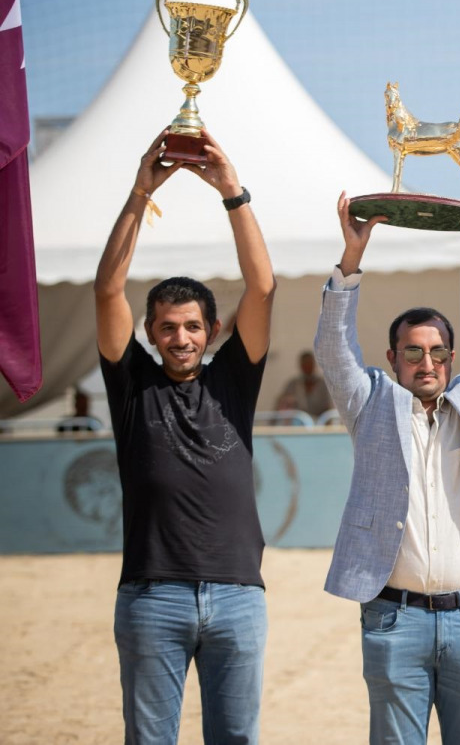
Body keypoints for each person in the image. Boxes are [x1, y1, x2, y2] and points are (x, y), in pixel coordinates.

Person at [315, 192, 460, 745]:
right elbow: (332, 348)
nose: (426, 363)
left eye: (438, 352)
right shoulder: (371, 403)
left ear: (452, 358)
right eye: (413, 352)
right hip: (394, 621)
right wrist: (350, 261)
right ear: (392, 358)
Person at [94, 129, 275, 743]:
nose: (181, 338)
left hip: (237, 598)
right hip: (152, 598)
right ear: (149, 331)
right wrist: (140, 191)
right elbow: (107, 290)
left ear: (212, 328)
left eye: (193, 327)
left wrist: (232, 192)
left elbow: (263, 287)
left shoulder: (234, 378)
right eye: (168, 328)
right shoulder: (131, 385)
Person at [274, 350, 333, 418]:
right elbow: (282, 405)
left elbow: (328, 406)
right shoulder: (293, 384)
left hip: (319, 423)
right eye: (305, 364)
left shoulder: (322, 384)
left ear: (314, 365)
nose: (307, 367)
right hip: (297, 423)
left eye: (310, 363)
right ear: (301, 365)